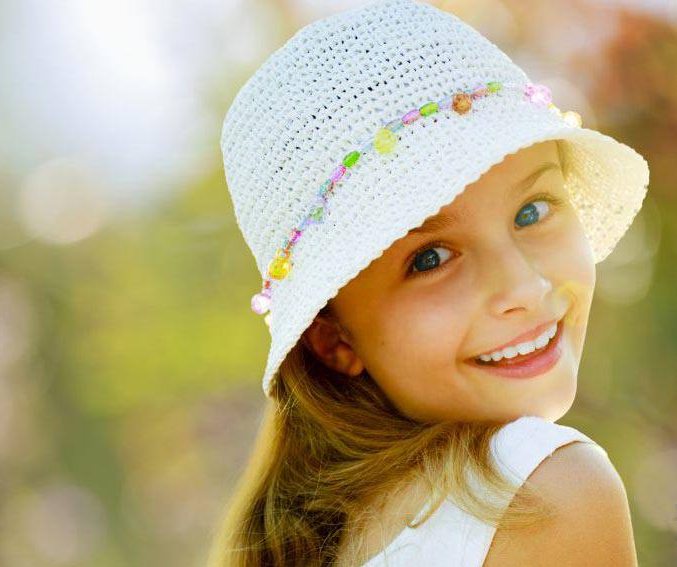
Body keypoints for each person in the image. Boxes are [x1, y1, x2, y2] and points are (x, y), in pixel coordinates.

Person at [210, 0, 649, 565]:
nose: (523, 288)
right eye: (431, 258)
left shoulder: (322, 545)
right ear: (333, 339)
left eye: (533, 211)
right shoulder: (544, 490)